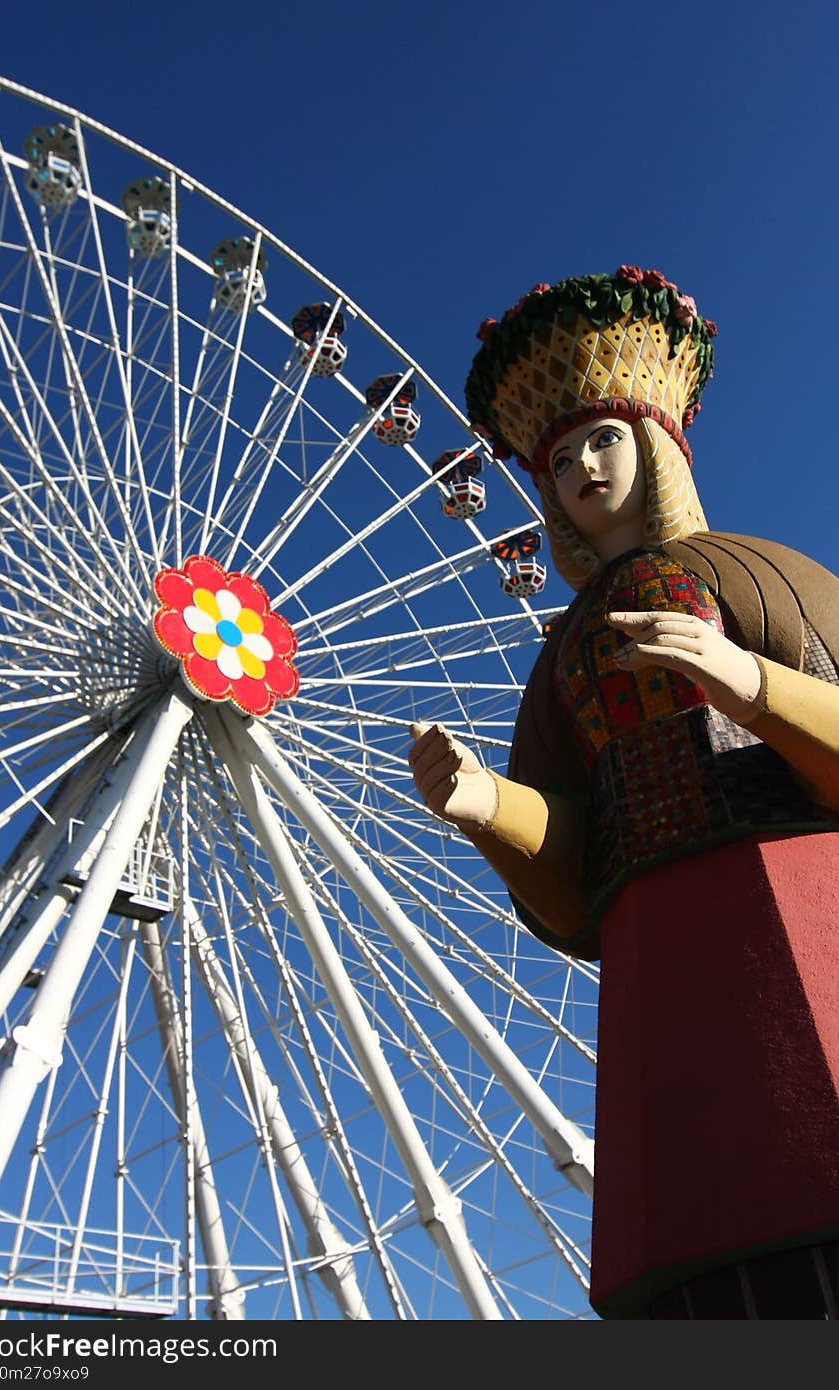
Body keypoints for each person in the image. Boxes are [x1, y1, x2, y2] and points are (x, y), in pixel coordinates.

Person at [408, 267, 839, 1319]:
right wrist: (484, 804)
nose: (580, 468)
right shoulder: (561, 660)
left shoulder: (754, 572)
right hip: (659, 958)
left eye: (600, 440)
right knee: (690, 1252)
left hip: (790, 900)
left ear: (654, 446)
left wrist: (748, 681)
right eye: (557, 459)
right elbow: (575, 865)